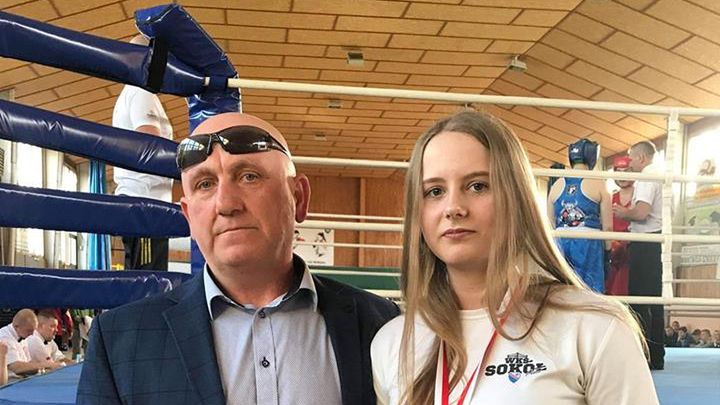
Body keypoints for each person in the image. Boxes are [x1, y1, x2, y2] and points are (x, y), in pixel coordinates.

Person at [77, 113, 400, 405]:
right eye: (205, 184)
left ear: (298, 197)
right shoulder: (120, 340)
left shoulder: (380, 325)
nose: (226, 204)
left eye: (249, 177)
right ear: (189, 216)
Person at [371, 111, 657, 405]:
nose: (453, 207)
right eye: (434, 191)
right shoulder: (393, 343)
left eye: (477, 186)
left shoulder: (594, 328)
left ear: (516, 196)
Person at [112, 34, 174, 271]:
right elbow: (150, 143)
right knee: (148, 280)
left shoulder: (132, 93)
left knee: (142, 276)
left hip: (143, 201)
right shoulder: (141, 93)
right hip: (145, 203)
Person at [613, 140, 665, 370]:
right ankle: (656, 355)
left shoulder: (646, 177)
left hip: (645, 242)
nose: (630, 163)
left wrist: (623, 213)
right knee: (653, 299)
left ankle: (645, 355)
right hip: (653, 241)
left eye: (632, 158)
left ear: (641, 158)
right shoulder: (658, 174)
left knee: (641, 299)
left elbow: (642, 212)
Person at [548, 138, 612, 293]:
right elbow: (608, 226)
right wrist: (607, 253)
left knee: (562, 290)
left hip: (560, 242)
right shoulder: (598, 182)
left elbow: (550, 224)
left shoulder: (556, 185)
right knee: (591, 292)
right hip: (589, 242)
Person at [0, 309, 56, 380]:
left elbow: (28, 362)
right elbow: (16, 368)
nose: (32, 334)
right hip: (10, 382)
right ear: (16, 326)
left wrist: (42, 368)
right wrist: (47, 365)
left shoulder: (22, 334)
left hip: (23, 378)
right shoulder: (5, 338)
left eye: (33, 330)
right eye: (29, 330)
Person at [606, 155, 634, 295]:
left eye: (626, 171)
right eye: (619, 172)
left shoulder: (640, 197)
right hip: (613, 251)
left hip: (632, 250)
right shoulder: (610, 197)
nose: (622, 176)